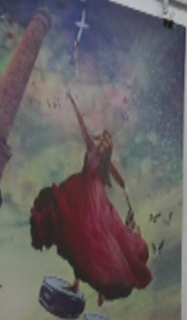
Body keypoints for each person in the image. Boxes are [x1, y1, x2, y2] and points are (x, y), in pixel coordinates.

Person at [30, 92, 151, 305]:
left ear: (102, 142)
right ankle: (98, 289)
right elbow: (116, 175)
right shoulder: (104, 158)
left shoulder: (94, 150)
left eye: (101, 138)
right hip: (95, 196)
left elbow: (83, 127)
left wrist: (74, 104)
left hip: (86, 194)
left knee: (80, 238)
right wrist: (124, 186)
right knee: (89, 241)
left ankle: (90, 285)